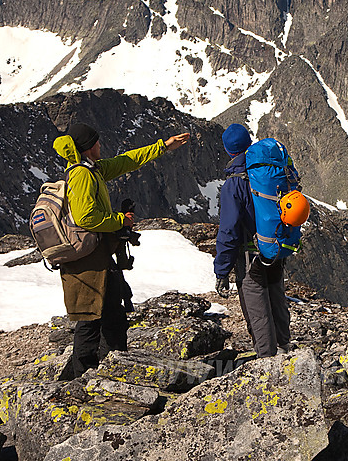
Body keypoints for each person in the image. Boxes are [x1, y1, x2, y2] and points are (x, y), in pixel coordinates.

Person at [53, 122, 190, 378]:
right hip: (90, 262)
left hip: (98, 258)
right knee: (92, 319)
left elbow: (126, 161)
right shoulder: (83, 175)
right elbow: (85, 217)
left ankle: (108, 369)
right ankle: (85, 376)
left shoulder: (92, 169)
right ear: (89, 147)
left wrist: (163, 146)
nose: (100, 145)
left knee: (108, 315)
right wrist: (120, 221)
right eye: (97, 142)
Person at [214, 123, 291, 358]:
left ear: (228, 151)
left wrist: (222, 270)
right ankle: (285, 349)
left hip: (249, 257)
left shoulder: (233, 183)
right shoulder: (267, 171)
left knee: (257, 309)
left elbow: (229, 230)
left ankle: (267, 361)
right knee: (276, 297)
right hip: (274, 247)